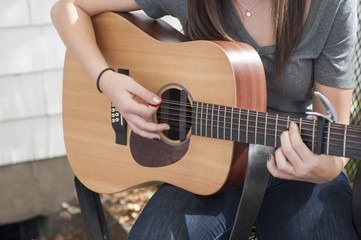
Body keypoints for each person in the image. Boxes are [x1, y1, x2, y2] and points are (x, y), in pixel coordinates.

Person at [51, 0, 359, 239]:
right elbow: (68, 8)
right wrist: (106, 80)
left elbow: (336, 143)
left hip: (294, 166)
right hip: (204, 165)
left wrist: (324, 168)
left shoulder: (329, 6)